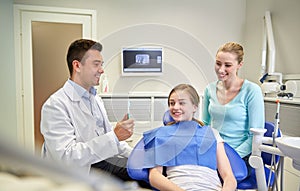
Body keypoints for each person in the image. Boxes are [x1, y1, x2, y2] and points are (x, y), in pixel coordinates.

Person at [40, 39, 134, 181]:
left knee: (146, 168)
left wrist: (136, 154)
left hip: (102, 161)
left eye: (101, 65)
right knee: (143, 175)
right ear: (77, 65)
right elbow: (67, 157)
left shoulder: (95, 99)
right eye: (96, 64)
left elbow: (112, 138)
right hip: (78, 173)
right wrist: (114, 136)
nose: (102, 70)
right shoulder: (55, 105)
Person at [143, 84, 237, 191]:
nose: (175, 107)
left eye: (182, 103)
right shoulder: (161, 135)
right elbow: (154, 176)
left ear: (194, 107)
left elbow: (229, 177)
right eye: (172, 103)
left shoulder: (212, 133)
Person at [202, 42, 265, 175]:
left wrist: (229, 157)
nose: (221, 69)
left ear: (239, 65)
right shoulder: (210, 89)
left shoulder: (252, 91)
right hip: (214, 149)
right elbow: (205, 125)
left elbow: (255, 136)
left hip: (239, 154)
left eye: (228, 65)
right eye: (218, 63)